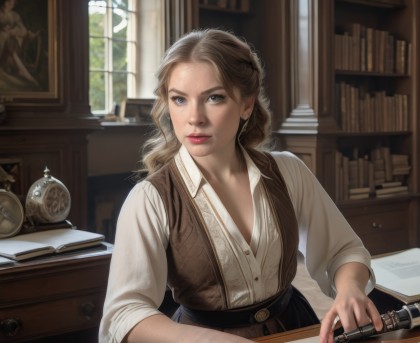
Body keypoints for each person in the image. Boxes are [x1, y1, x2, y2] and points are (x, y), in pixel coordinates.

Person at [99, 28, 383, 343]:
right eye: (179, 99)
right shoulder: (149, 200)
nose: (194, 117)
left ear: (246, 105)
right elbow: (124, 313)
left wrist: (350, 289)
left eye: (214, 98)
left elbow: (343, 250)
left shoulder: (288, 171)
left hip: (295, 328)